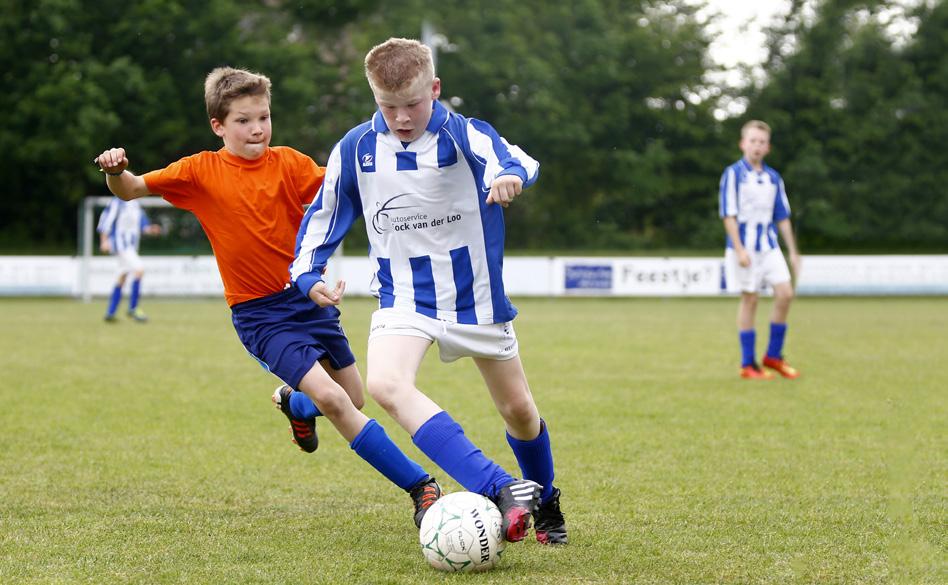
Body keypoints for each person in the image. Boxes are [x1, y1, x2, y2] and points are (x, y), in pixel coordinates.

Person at [93, 66, 441, 529]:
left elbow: (348, 190)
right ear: (218, 125)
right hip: (260, 316)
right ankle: (422, 489)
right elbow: (131, 189)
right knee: (336, 401)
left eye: (263, 116)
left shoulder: (290, 163)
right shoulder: (199, 171)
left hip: (308, 300)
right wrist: (117, 171)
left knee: (353, 398)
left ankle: (295, 406)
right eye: (243, 120)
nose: (257, 128)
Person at [290, 38, 566, 545]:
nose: (400, 117)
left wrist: (508, 178)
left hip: (476, 299)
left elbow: (518, 161)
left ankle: (545, 501)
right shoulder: (355, 149)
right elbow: (321, 220)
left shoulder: (466, 135)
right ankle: (500, 487)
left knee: (520, 411)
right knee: (385, 385)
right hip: (404, 299)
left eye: (412, 103)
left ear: (435, 89)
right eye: (387, 106)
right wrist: (308, 275)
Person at [719, 119, 802, 380]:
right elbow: (728, 214)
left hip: (769, 246)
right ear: (743, 143)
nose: (757, 146)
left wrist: (793, 251)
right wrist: (740, 249)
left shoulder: (773, 178)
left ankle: (773, 356)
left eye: (762, 142)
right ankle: (748, 364)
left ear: (768, 148)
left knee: (785, 293)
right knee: (750, 299)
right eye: (753, 141)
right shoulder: (733, 174)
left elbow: (782, 216)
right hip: (744, 248)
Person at [97, 197, 161, 322]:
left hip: (131, 247)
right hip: (121, 245)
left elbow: (143, 226)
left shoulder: (136, 205)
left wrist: (151, 229)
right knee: (139, 269)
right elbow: (106, 221)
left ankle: (110, 313)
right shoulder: (117, 202)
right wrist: (104, 241)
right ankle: (133, 308)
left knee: (122, 276)